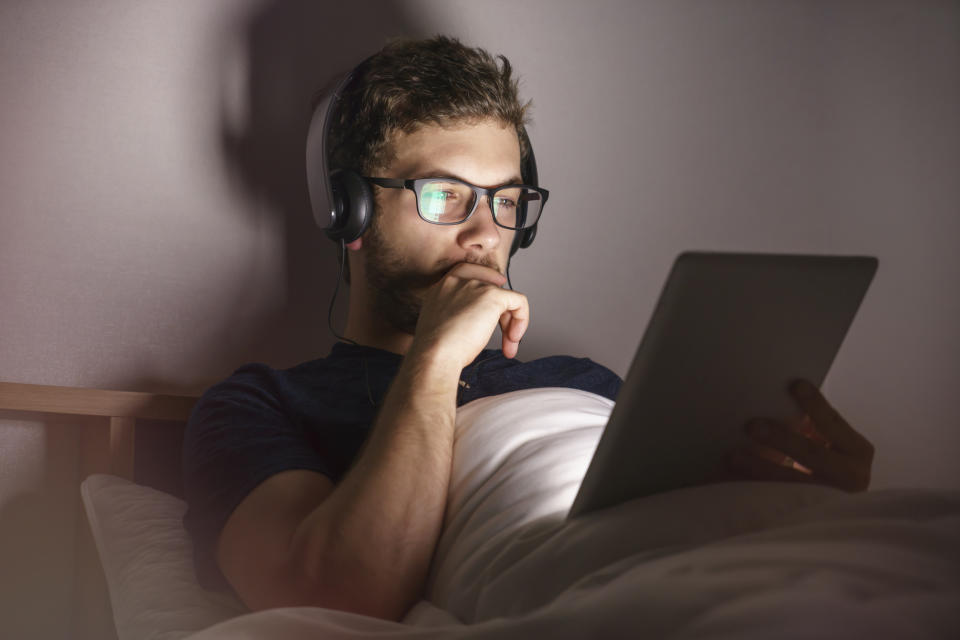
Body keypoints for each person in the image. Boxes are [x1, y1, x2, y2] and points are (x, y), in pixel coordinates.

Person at [182, 35, 874, 622]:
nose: (486, 235)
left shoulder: (586, 382)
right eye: (446, 195)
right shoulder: (259, 407)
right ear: (350, 211)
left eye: (507, 201)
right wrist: (434, 362)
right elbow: (331, 597)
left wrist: (807, 502)